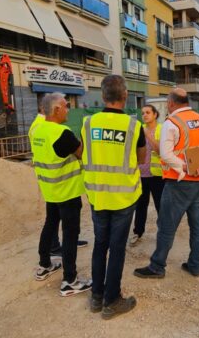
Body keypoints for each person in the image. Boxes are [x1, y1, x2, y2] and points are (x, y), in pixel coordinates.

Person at [81, 75, 147, 319]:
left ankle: (97, 297)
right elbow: (141, 159)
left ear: (103, 96)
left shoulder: (88, 123)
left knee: (100, 244)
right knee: (116, 248)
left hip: (97, 195)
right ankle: (112, 300)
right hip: (123, 198)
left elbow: (86, 152)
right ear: (125, 95)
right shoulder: (133, 126)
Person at [134, 88, 199, 279]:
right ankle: (195, 265)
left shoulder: (172, 123)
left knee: (166, 225)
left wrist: (186, 167)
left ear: (171, 103)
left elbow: (166, 154)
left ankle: (157, 266)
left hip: (179, 182)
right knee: (198, 225)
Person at [29, 93, 92, 297]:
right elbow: (82, 153)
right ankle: (70, 280)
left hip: (50, 189)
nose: (68, 110)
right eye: (66, 106)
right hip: (68, 191)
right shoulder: (61, 133)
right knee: (70, 234)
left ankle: (44, 264)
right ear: (56, 109)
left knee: (50, 224)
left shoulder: (38, 130)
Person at [129, 104, 165, 246]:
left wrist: (147, 134)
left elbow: (160, 150)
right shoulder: (138, 130)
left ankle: (164, 233)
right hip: (141, 174)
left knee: (160, 206)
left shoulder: (162, 129)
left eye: (148, 112)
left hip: (157, 175)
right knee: (140, 206)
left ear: (155, 114)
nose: (144, 115)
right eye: (143, 113)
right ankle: (138, 231)